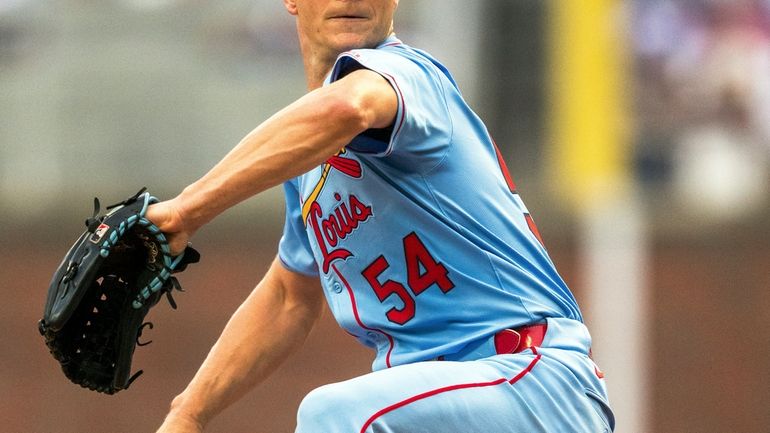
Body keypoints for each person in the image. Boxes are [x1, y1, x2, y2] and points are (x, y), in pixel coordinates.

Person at [149, 0, 615, 432]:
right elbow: (289, 295)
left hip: (526, 378)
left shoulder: (407, 74)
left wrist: (187, 210)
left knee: (334, 417)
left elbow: (350, 106)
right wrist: (187, 413)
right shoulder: (305, 162)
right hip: (448, 401)